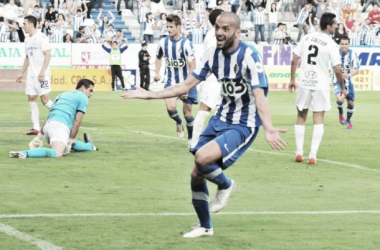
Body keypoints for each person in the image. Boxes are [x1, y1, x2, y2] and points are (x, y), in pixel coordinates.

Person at [121, 12, 287, 238]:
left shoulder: (249, 55)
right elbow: (185, 85)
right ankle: (205, 226)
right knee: (196, 173)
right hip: (221, 118)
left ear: (237, 33)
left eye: (226, 29)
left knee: (201, 158)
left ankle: (226, 185)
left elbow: (259, 95)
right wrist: (149, 95)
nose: (219, 32)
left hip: (243, 124)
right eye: (217, 27)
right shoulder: (211, 55)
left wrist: (268, 127)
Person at [288, 12, 346, 165]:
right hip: (320, 84)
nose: (336, 26)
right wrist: (342, 88)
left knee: (301, 116)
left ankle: (299, 152)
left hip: (305, 82)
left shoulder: (306, 37)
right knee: (318, 119)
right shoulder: (331, 44)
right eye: (334, 24)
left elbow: (295, 59)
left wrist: (292, 79)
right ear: (328, 26)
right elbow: (338, 70)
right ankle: (312, 155)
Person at [9, 79, 97, 159]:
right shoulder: (83, 97)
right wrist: (69, 143)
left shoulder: (62, 95)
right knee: (58, 153)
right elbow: (77, 123)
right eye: (90, 90)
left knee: (65, 141)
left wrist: (39, 137)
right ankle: (24, 153)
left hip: (48, 126)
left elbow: (50, 115)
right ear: (82, 88)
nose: (91, 94)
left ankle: (90, 146)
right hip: (60, 127)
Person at [153, 14, 197, 145]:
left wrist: (187, 86)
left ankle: (191, 139)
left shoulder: (186, 44)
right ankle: (178, 122)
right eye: (167, 26)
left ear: (179, 27)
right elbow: (158, 58)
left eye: (171, 27)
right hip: (171, 82)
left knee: (188, 113)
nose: (169, 29)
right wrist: (157, 72)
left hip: (186, 82)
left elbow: (193, 66)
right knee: (171, 108)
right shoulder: (163, 42)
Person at [190, 8, 223, 149]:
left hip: (218, 79)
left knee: (222, 111)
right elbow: (213, 58)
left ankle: (216, 141)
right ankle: (194, 142)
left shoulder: (215, 35)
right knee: (204, 110)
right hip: (211, 78)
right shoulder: (212, 36)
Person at [16, 15, 54, 136]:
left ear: (31, 24)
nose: (23, 26)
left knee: (45, 100)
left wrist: (42, 71)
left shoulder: (41, 37)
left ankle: (64, 112)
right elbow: (27, 57)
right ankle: (36, 128)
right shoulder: (27, 39)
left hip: (42, 75)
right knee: (31, 98)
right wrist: (21, 73)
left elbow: (48, 55)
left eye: (25, 24)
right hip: (31, 75)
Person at [332, 36, 359, 130]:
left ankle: (348, 120)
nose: (344, 46)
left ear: (349, 44)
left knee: (351, 103)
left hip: (348, 82)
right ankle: (340, 114)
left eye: (346, 44)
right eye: (342, 44)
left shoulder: (353, 54)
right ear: (339, 44)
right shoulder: (334, 53)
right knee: (340, 99)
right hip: (337, 81)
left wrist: (348, 75)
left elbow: (357, 70)